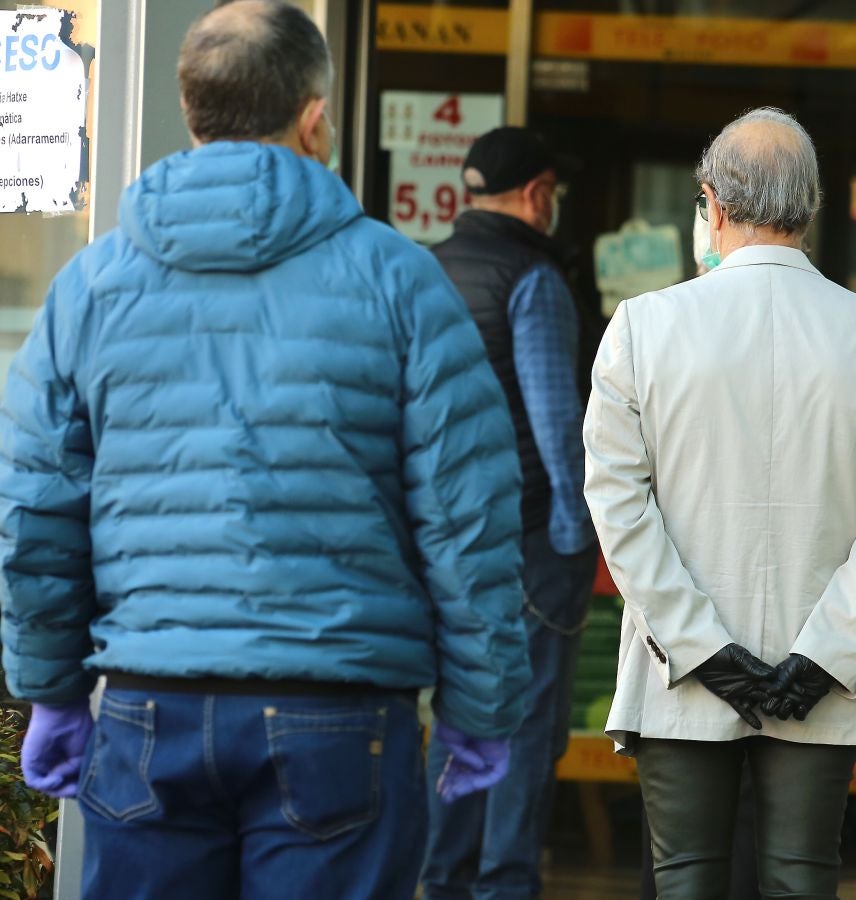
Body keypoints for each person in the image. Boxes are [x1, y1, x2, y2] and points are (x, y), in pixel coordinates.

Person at [0, 3, 530, 898]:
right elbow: (467, 512)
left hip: (146, 705)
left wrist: (49, 690)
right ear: (314, 117)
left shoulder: (90, 284)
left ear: (192, 106)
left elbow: (35, 507)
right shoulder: (400, 280)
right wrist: (483, 708)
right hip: (338, 712)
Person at [584, 107, 856, 899]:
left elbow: (617, 502)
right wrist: (826, 655)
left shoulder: (642, 328)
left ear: (709, 203)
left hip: (679, 673)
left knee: (685, 881)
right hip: (822, 676)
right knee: (802, 879)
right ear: (811, 208)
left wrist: (701, 647)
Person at [421, 127, 598, 900]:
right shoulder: (535, 280)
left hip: (445, 536)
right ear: (537, 194)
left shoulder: (425, 272)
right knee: (524, 724)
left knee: (460, 711)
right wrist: (575, 538)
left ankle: (443, 879)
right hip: (526, 538)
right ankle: (503, 885)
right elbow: (559, 424)